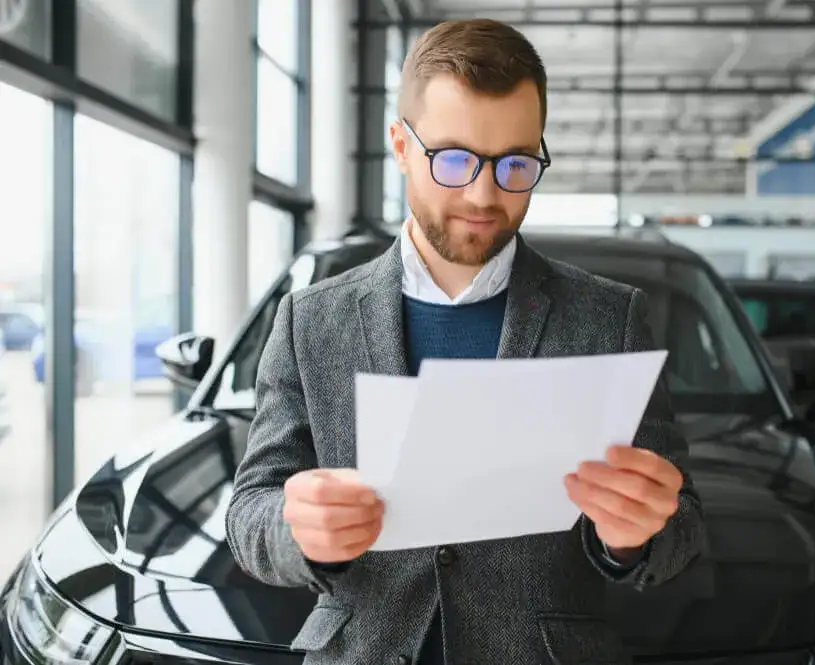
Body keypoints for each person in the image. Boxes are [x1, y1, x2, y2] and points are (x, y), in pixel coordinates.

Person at [225, 18, 706, 665]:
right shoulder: (311, 319)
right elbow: (249, 511)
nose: (484, 195)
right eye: (453, 159)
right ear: (400, 144)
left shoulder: (609, 316)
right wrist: (295, 527)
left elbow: (683, 525)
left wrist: (635, 536)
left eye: (516, 163)